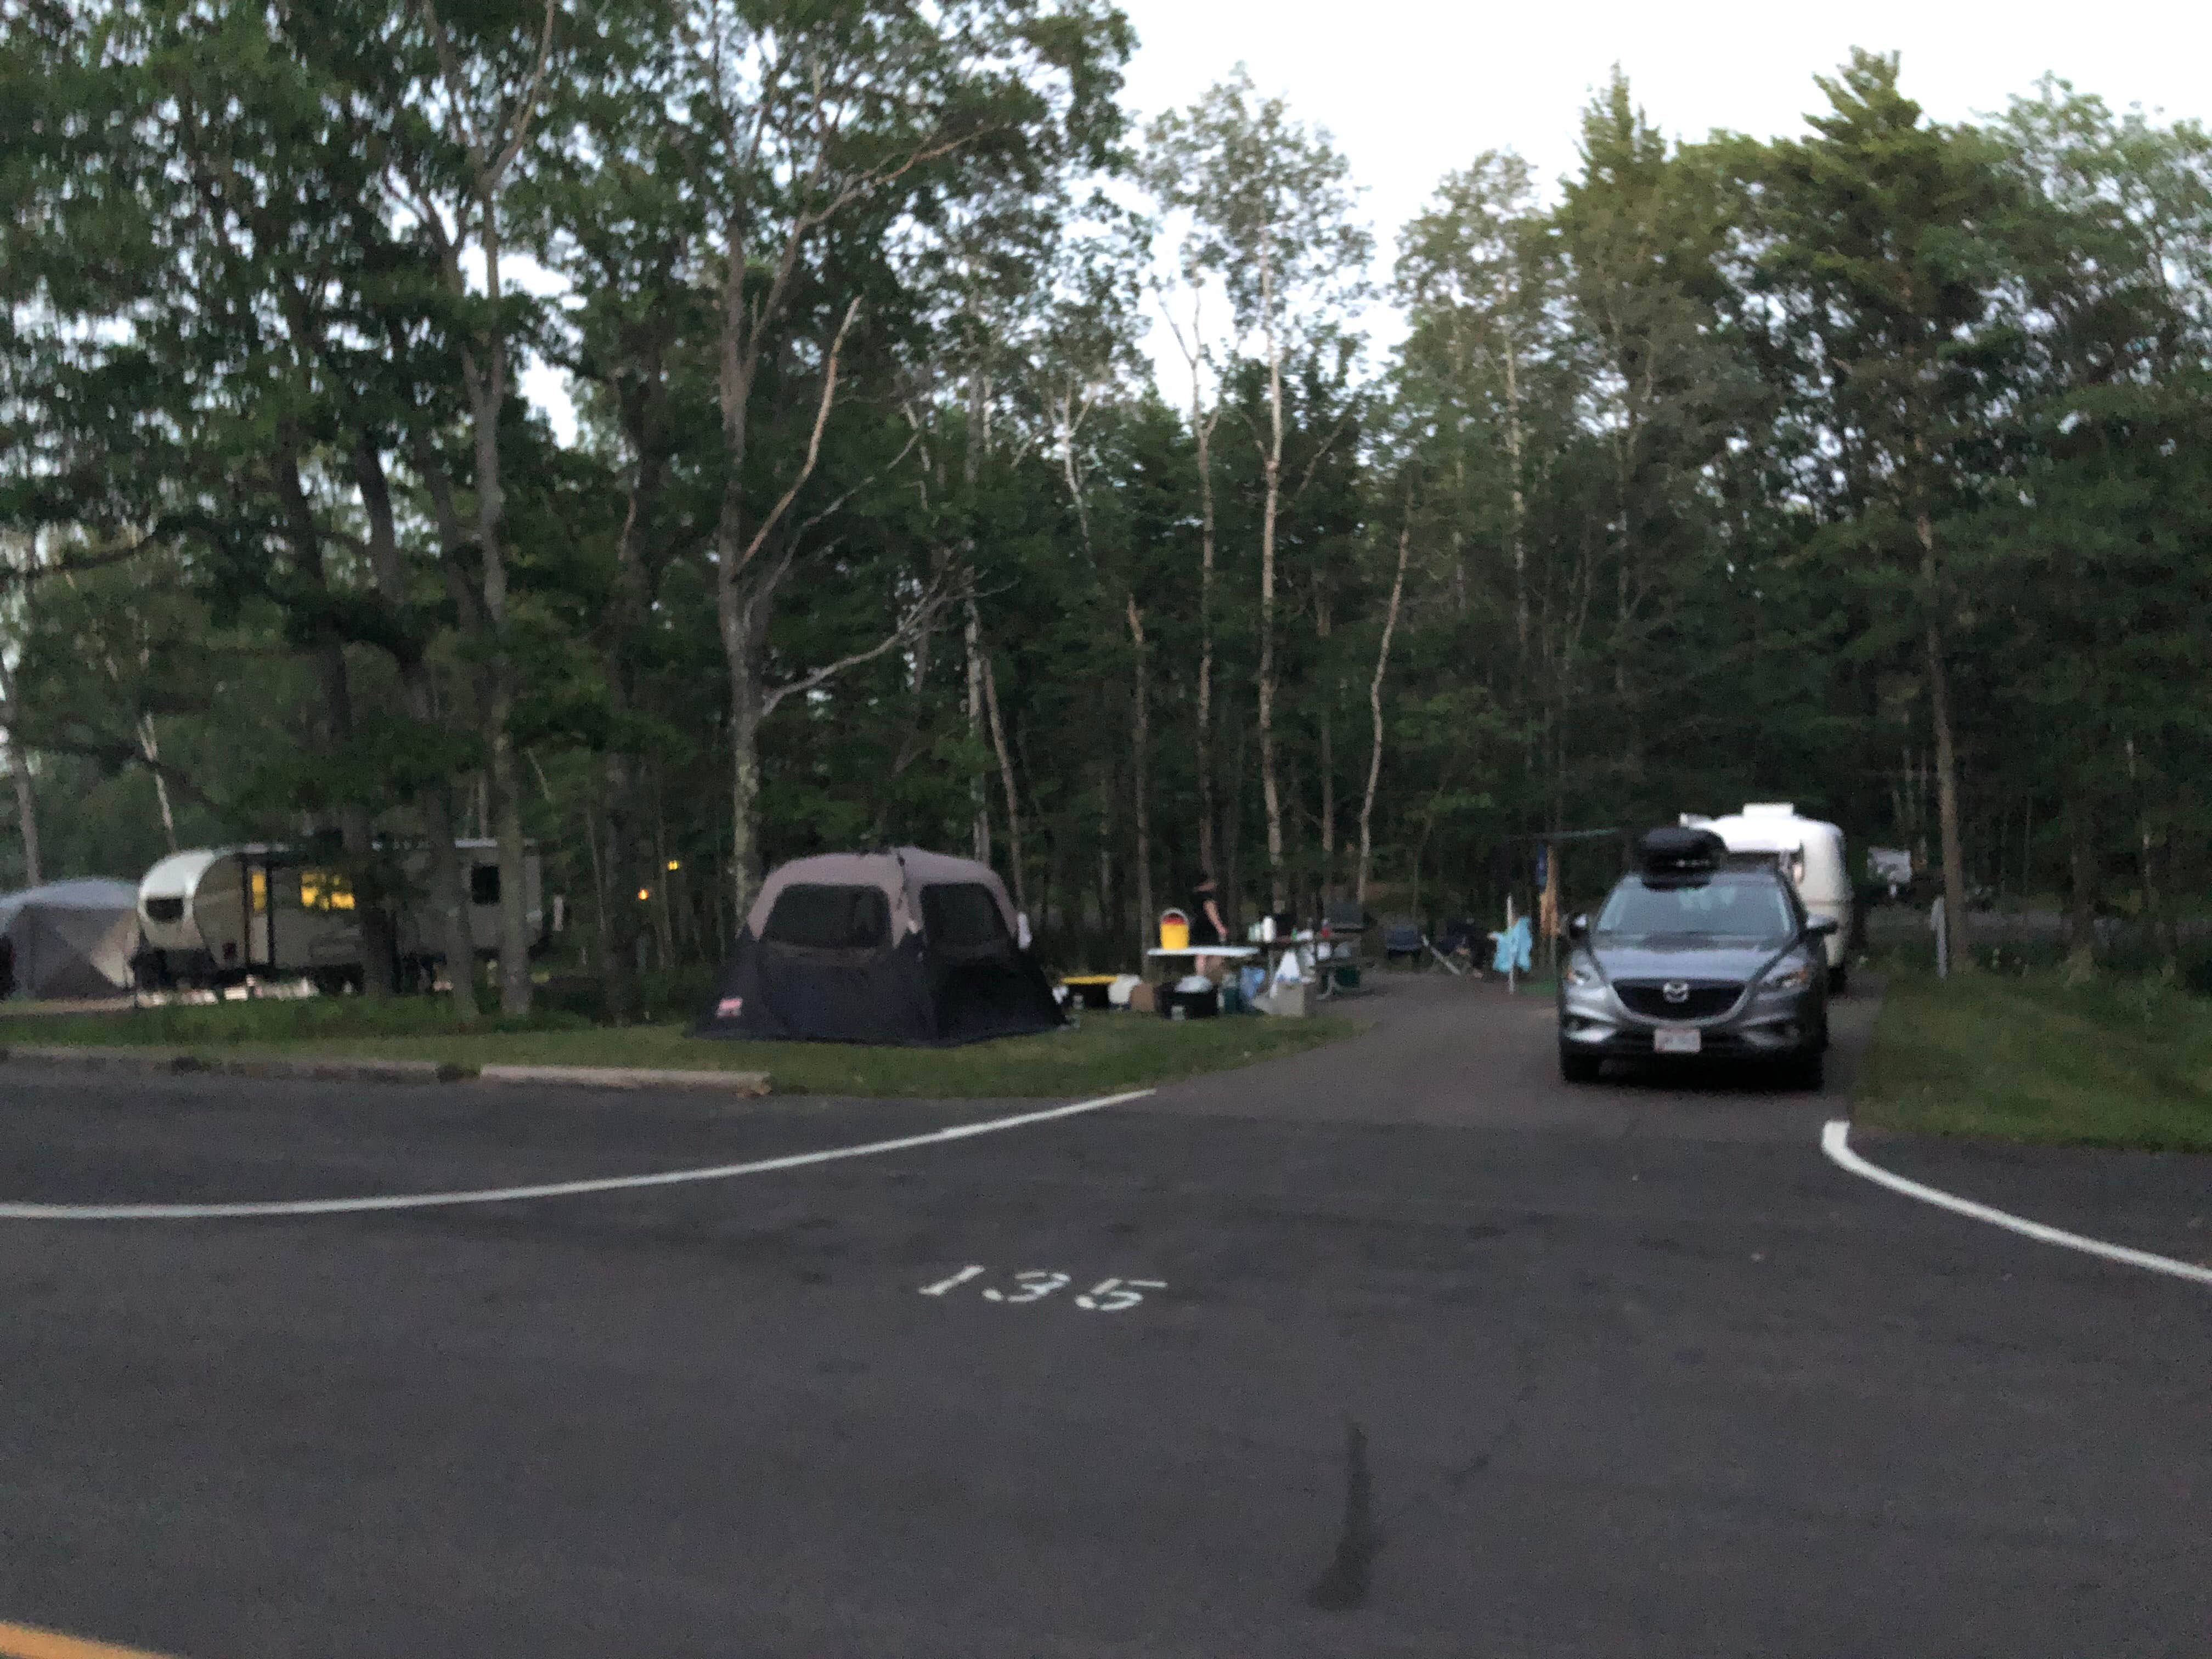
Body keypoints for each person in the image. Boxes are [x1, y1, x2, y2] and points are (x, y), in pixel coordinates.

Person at [1191, 872, 1228, 978]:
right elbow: (1211, 911)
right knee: (1215, 953)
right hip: (1208, 929)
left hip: (1197, 928)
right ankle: (1205, 975)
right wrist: (1219, 927)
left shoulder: (1194, 896)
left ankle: (1200, 976)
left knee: (1201, 955)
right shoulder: (1207, 897)